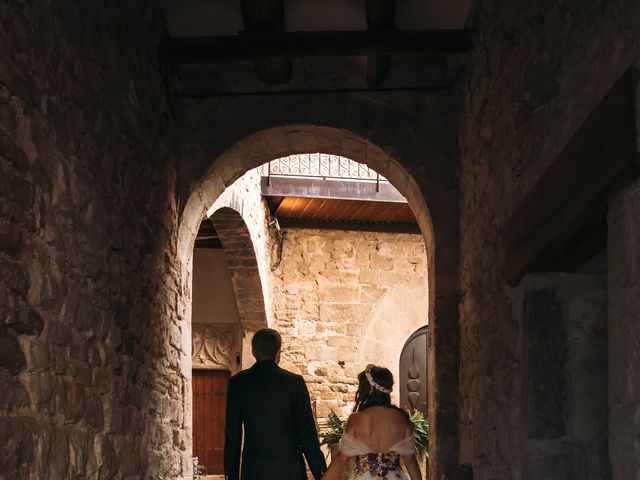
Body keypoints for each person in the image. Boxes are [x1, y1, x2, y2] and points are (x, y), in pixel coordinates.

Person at [223, 328, 327, 480]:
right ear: (279, 352)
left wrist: (230, 476)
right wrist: (321, 473)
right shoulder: (294, 383)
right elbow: (307, 433)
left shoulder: (238, 383)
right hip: (289, 470)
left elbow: (233, 434)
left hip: (254, 470)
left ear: (253, 352)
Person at [321, 365, 422, 480]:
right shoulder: (400, 419)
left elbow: (340, 461)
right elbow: (410, 462)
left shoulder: (355, 419)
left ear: (369, 389)